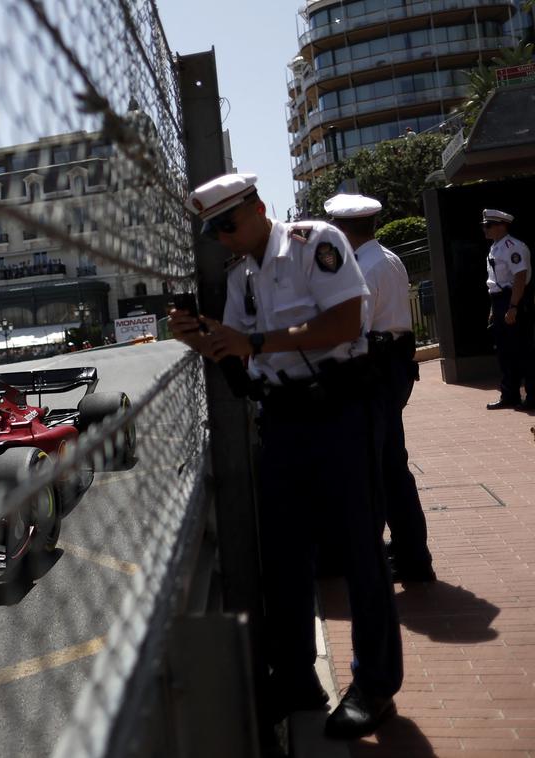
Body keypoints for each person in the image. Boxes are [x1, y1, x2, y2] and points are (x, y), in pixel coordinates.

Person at [169, 173, 401, 738]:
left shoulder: (313, 243)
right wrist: (207, 339)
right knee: (284, 554)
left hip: (340, 411)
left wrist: (255, 342)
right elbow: (244, 359)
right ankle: (297, 677)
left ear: (258, 208)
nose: (224, 237)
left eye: (229, 224)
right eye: (214, 230)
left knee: (360, 550)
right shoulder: (241, 277)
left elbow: (346, 321)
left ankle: (375, 686)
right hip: (283, 419)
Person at [326, 193, 434, 583]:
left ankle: (411, 557)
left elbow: (352, 330)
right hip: (394, 367)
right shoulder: (386, 258)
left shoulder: (360, 270)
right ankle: (408, 547)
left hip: (375, 369)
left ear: (340, 230)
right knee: (390, 461)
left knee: (382, 466)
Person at [482, 209, 532, 410]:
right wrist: (494, 309)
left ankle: (532, 396)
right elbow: (495, 282)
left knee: (523, 350)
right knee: (505, 352)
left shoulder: (513, 247)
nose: (485, 229)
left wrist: (513, 306)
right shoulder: (495, 247)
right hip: (499, 300)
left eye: (488, 225)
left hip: (513, 299)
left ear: (501, 226)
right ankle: (509, 394)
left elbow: (520, 277)